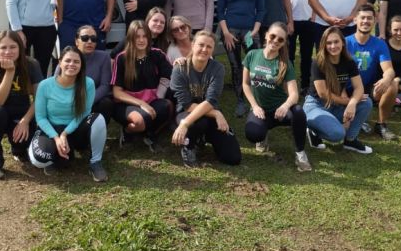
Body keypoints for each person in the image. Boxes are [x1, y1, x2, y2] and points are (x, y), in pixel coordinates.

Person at [28, 46, 108, 182]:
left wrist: (65, 134)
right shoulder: (45, 85)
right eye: (68, 60)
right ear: (60, 62)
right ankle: (62, 156)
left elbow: (84, 112)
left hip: (75, 127)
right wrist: (56, 138)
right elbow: (40, 117)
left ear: (81, 65)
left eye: (76, 62)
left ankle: (95, 162)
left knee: (98, 119)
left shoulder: (87, 83)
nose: (72, 64)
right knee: (39, 160)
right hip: (52, 128)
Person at [242, 22, 312, 172]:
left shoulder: (285, 63)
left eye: (280, 39)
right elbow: (246, 84)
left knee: (298, 112)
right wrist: (254, 106)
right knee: (253, 134)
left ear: (284, 43)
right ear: (266, 35)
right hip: (260, 110)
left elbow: (294, 94)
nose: (275, 41)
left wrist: (285, 106)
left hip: (280, 111)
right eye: (273, 36)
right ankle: (263, 135)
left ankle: (300, 153)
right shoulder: (252, 55)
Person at [171, 30, 242, 167]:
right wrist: (216, 113)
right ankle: (189, 146)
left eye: (209, 47)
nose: (204, 49)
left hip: (209, 113)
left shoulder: (218, 68)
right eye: (201, 45)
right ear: (193, 45)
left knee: (233, 157)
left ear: (213, 49)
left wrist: (214, 112)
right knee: (199, 122)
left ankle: (203, 138)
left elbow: (211, 100)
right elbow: (186, 104)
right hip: (186, 114)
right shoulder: (179, 69)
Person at [0, 31, 43, 180]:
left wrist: (25, 121)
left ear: (20, 48)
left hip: (20, 113)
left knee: (26, 139)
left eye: (13, 47)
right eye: (3, 47)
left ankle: (12, 144)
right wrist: (10, 72)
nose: (8, 52)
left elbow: (39, 98)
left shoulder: (31, 64)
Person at [303, 27, 373, 154]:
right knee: (336, 135)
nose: (333, 46)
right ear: (324, 45)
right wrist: (347, 102)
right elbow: (323, 93)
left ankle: (350, 140)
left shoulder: (349, 62)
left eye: (336, 42)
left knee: (366, 102)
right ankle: (313, 129)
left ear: (343, 42)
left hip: (336, 104)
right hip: (316, 105)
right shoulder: (318, 62)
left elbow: (359, 87)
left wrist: (352, 104)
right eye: (329, 43)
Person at [111, 20, 173, 152]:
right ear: (130, 38)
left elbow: (170, 75)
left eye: (144, 36)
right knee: (139, 121)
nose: (141, 40)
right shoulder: (122, 58)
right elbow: (117, 93)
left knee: (167, 106)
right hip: (126, 103)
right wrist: (140, 103)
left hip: (151, 100)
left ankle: (150, 134)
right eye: (137, 36)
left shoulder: (157, 54)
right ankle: (128, 131)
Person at [217, 0, 265, 117]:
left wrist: (256, 30)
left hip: (250, 32)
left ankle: (256, 99)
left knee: (255, 65)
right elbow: (220, 12)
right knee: (236, 66)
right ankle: (240, 101)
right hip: (230, 32)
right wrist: (226, 33)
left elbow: (261, 9)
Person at [346, 4, 398, 141]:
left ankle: (381, 125)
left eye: (369, 18)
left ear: (374, 21)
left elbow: (389, 69)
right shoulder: (345, 42)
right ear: (355, 20)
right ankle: (356, 118)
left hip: (368, 88)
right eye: (362, 18)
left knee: (392, 85)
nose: (366, 21)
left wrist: (387, 79)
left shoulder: (379, 44)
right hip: (346, 88)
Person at [74, 25, 114, 123]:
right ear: (76, 41)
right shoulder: (68, 57)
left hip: (94, 99)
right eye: (85, 38)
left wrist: (86, 102)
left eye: (93, 39)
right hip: (72, 100)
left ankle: (99, 133)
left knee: (106, 103)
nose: (89, 42)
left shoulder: (104, 57)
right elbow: (56, 83)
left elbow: (105, 86)